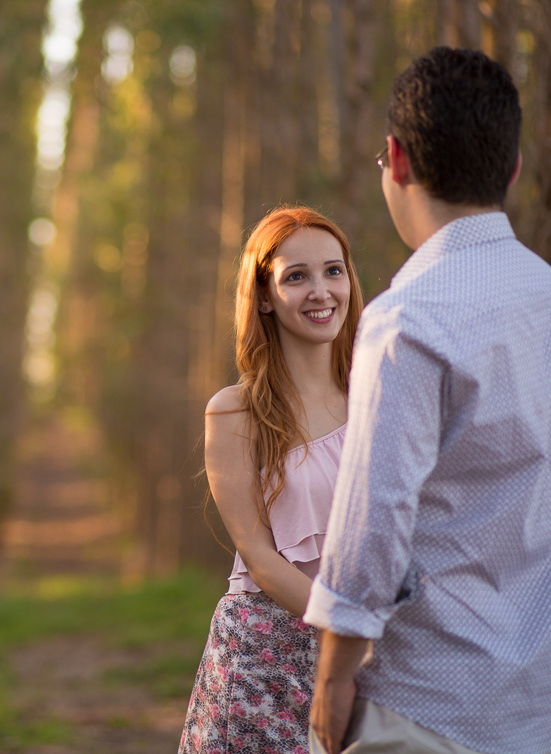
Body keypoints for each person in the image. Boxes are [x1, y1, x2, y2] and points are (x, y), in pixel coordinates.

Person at [304, 47, 551, 754]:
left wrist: (333, 676)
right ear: (513, 168)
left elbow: (374, 519)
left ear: (397, 159)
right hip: (537, 714)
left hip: (420, 709)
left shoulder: (407, 317)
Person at [179, 205, 363, 753]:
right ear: (264, 296)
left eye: (333, 271)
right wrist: (350, 629)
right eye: (296, 276)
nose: (321, 292)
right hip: (267, 656)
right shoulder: (235, 412)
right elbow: (259, 556)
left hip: (364, 653)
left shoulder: (377, 398)